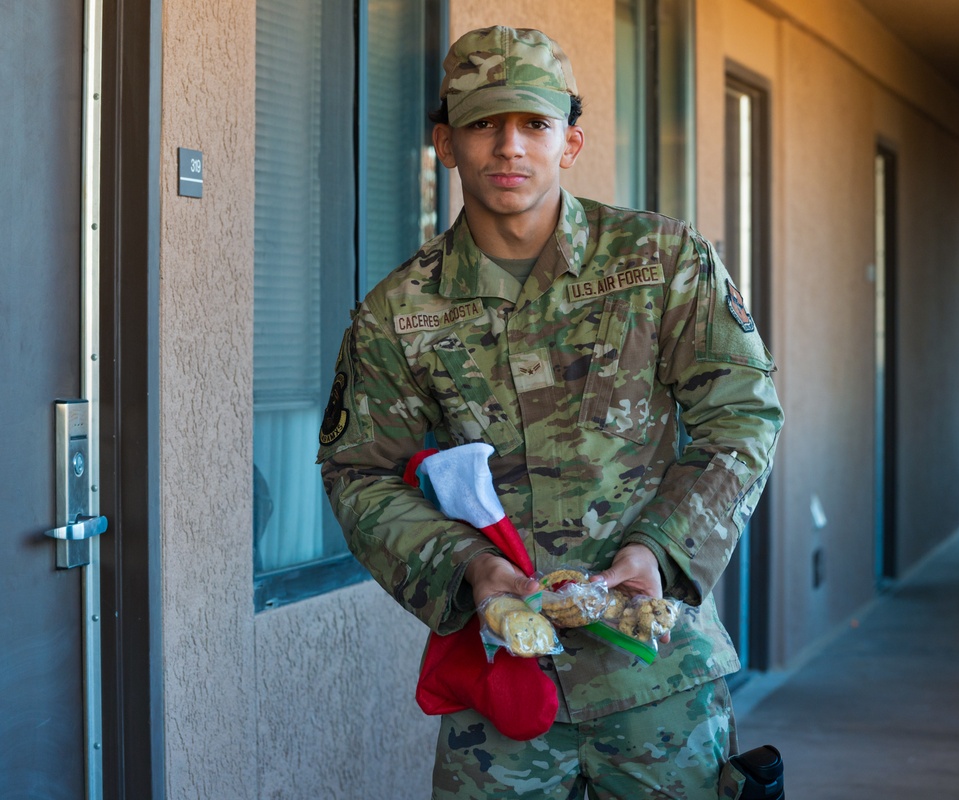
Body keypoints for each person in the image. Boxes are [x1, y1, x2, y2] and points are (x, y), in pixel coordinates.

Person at [317, 25, 783, 799]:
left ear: (570, 142)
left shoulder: (662, 263)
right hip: (500, 688)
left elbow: (741, 418)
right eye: (483, 123)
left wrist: (659, 552)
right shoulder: (398, 312)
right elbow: (359, 472)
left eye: (534, 123)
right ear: (445, 143)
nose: (509, 146)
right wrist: (469, 568)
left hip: (657, 678)